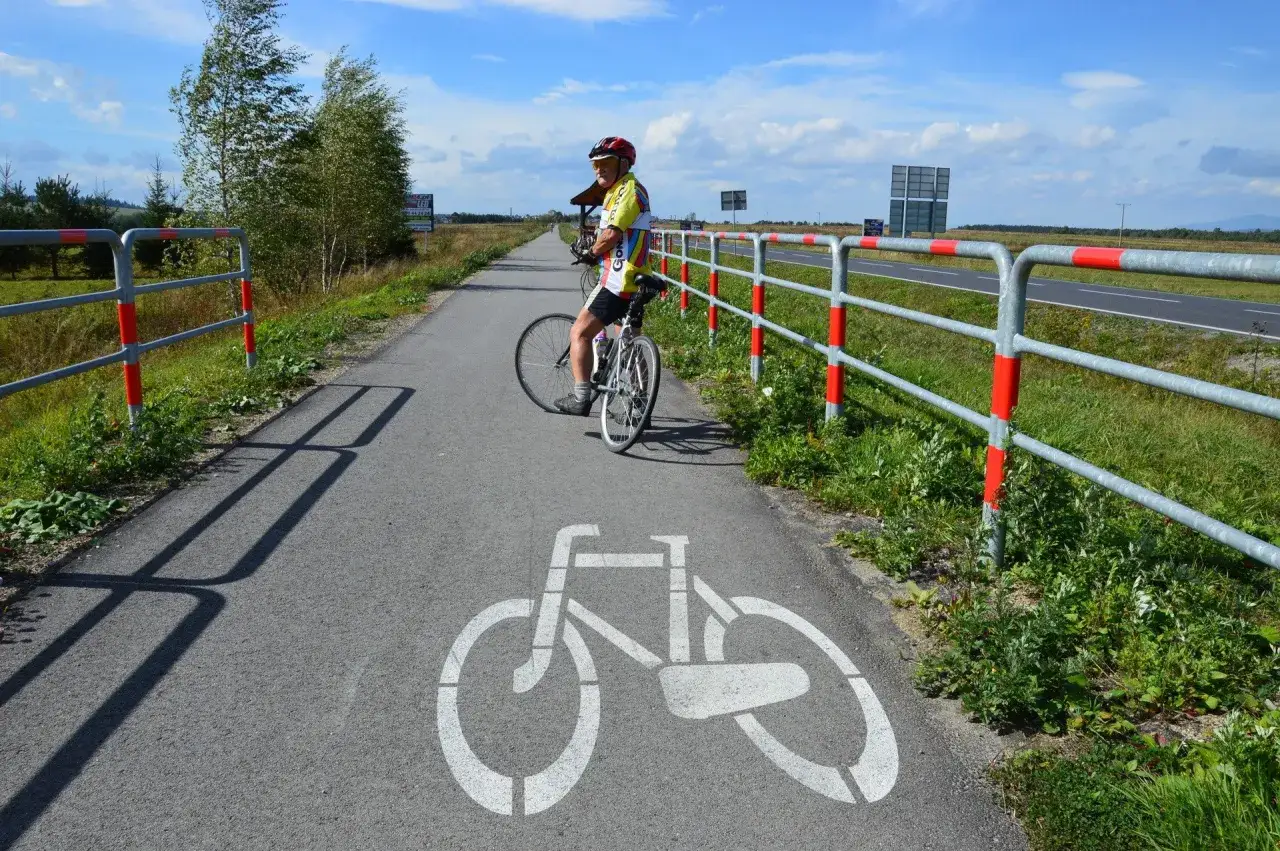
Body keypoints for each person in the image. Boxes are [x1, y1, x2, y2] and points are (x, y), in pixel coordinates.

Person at [555, 136, 652, 416]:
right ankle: (639, 400)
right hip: (637, 280)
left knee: (580, 333)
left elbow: (611, 234)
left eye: (606, 163)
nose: (599, 169)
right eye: (595, 165)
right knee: (629, 342)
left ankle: (580, 398)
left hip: (617, 280)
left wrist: (591, 253)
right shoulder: (622, 191)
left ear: (624, 163)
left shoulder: (628, 191)